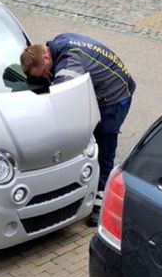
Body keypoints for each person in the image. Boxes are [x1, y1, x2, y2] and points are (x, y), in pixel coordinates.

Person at [20, 33, 136, 226]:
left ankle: (102, 201)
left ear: (46, 58)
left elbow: (60, 96)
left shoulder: (68, 63)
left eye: (45, 72)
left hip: (115, 97)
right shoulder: (58, 43)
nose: (46, 76)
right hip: (109, 85)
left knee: (105, 148)